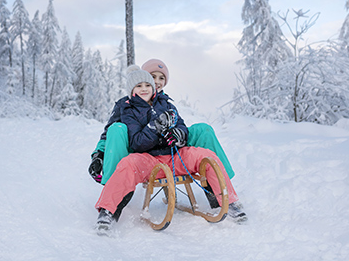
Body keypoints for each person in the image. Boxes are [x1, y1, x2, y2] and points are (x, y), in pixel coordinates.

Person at [94, 65, 246, 234]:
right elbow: (136, 143)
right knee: (127, 164)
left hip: (175, 156)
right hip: (149, 160)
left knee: (207, 156)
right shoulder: (129, 110)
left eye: (147, 85)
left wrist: (179, 135)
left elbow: (181, 126)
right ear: (132, 90)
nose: (144, 89)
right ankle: (107, 211)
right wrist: (154, 128)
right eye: (139, 86)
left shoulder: (166, 104)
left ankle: (229, 201)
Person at [88, 59, 236, 186]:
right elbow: (109, 134)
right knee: (117, 128)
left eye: (161, 78)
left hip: (167, 148)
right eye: (153, 77)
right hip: (140, 148)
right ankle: (113, 187)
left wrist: (179, 134)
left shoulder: (165, 102)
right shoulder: (126, 104)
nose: (157, 82)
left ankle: (221, 185)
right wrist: (98, 155)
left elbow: (179, 123)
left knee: (204, 129)